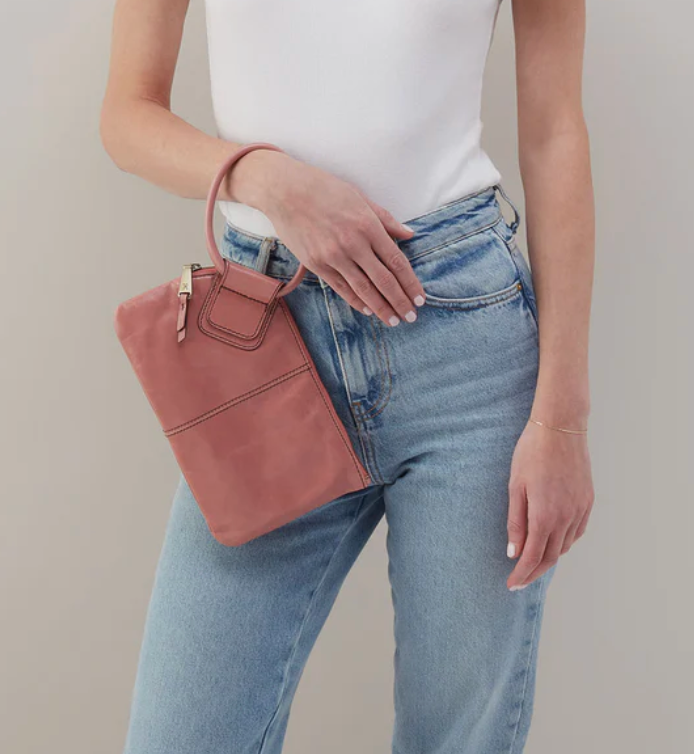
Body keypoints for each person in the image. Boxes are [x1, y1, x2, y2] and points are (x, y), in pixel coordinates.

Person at [100, 0, 595, 751]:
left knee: (457, 736)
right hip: (265, 336)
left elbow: (556, 133)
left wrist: (562, 420)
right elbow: (127, 114)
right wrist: (263, 178)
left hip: (465, 345)